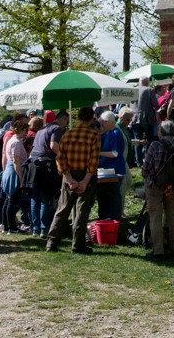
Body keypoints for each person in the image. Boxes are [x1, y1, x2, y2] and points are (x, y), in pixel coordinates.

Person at [46, 105, 100, 254]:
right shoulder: (93, 136)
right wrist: (85, 181)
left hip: (69, 173)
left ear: (78, 117)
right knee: (81, 210)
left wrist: (69, 178)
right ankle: (78, 244)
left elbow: (60, 158)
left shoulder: (66, 134)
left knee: (63, 209)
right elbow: (93, 162)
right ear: (91, 119)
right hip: (86, 174)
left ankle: (52, 242)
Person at [140, 118, 174, 261]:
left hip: (155, 186)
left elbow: (146, 168)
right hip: (172, 186)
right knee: (173, 217)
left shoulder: (155, 145)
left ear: (161, 131)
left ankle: (158, 251)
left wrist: (145, 174)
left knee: (155, 217)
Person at [29, 111, 64, 237]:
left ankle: (36, 229)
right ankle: (44, 229)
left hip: (33, 163)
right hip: (45, 165)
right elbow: (53, 145)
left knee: (35, 197)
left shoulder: (41, 130)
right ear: (62, 119)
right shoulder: (56, 128)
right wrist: (64, 156)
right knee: (46, 198)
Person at [0, 114, 29, 234]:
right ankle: (11, 226)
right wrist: (21, 177)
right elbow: (16, 161)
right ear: (20, 130)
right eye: (25, 130)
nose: (26, 133)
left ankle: (6, 225)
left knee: (9, 200)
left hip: (10, 171)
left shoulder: (13, 140)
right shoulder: (16, 142)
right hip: (14, 172)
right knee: (11, 200)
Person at [96, 110, 128, 222]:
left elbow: (115, 153)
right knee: (106, 195)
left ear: (109, 122)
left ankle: (115, 218)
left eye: (103, 122)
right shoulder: (106, 133)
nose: (102, 125)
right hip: (106, 170)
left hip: (115, 171)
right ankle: (106, 217)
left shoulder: (115, 133)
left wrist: (99, 153)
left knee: (114, 195)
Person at [133, 78, 159, 166]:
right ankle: (148, 161)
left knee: (137, 141)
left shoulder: (133, 90)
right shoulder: (149, 90)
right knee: (149, 140)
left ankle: (139, 162)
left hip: (134, 118)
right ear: (147, 82)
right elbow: (155, 104)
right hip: (147, 118)